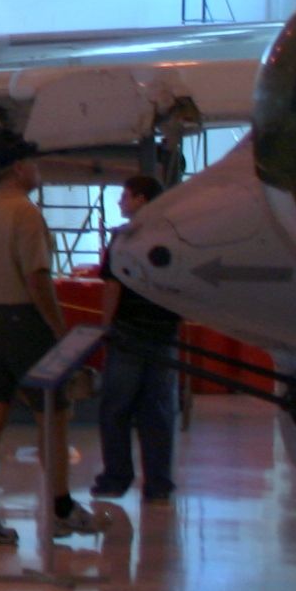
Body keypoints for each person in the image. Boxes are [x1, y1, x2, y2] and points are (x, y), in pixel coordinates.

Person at [0, 159, 83, 547]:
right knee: (53, 415)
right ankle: (61, 510)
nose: (39, 171)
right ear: (17, 168)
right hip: (25, 324)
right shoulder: (26, 214)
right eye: (34, 164)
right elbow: (37, 278)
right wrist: (58, 327)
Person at [93, 176, 181, 505]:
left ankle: (116, 476)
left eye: (125, 196)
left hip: (128, 333)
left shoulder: (124, 239)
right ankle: (158, 482)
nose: (120, 203)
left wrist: (105, 327)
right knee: (157, 411)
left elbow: (112, 286)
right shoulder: (175, 237)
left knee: (115, 408)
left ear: (141, 199)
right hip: (164, 334)